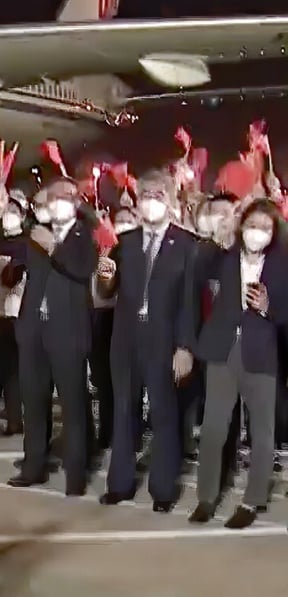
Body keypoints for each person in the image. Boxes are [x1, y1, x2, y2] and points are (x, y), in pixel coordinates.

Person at [96, 170, 198, 513]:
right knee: (124, 410)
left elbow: (189, 302)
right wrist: (105, 278)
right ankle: (119, 484)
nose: (150, 201)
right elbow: (107, 291)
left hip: (164, 340)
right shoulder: (124, 243)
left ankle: (163, 488)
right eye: (145, 195)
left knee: (163, 414)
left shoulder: (186, 245)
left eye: (157, 194)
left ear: (169, 200)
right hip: (125, 339)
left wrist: (184, 347)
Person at [189, 199, 287, 529]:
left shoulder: (281, 264)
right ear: (242, 226)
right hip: (222, 350)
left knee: (262, 432)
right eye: (252, 225)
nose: (257, 232)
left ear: (273, 233)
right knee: (214, 427)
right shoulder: (225, 256)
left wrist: (270, 308)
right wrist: (219, 237)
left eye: (265, 227)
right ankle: (206, 497)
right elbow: (197, 271)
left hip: (261, 353)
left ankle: (252, 500)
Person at [8, 177, 96, 496]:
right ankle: (34, 466)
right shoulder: (36, 233)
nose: (56, 202)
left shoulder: (83, 235)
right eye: (52, 197)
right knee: (33, 401)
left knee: (72, 406)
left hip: (67, 333)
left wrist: (52, 246)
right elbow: (3, 244)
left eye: (65, 197)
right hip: (34, 331)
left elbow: (81, 268)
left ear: (76, 201)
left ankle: (76, 474)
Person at [90, 206, 137, 450]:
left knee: (125, 383)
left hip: (123, 319)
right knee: (103, 381)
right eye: (120, 221)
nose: (123, 226)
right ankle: (106, 431)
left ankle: (129, 432)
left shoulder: (136, 251)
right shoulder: (99, 250)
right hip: (99, 317)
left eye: (129, 220)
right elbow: (102, 289)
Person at [0, 193, 28, 435]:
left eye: (15, 212)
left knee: (15, 368)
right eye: (7, 212)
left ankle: (15, 417)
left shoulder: (26, 244)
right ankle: (1, 401)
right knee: (0, 366)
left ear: (22, 216)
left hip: (19, 314)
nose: (10, 216)